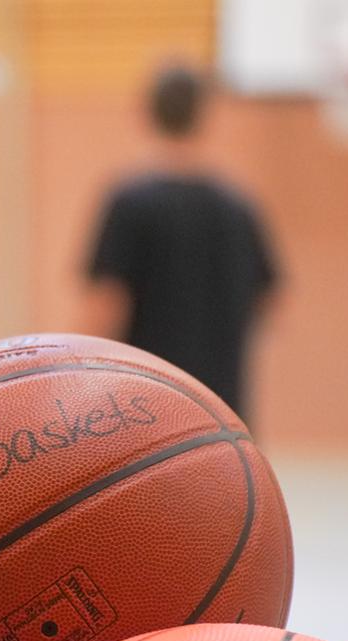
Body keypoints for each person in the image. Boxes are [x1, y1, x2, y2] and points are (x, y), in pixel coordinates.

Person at [83, 64, 279, 421]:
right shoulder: (238, 206)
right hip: (223, 415)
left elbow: (105, 307)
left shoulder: (129, 202)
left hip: (146, 415)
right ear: (205, 115)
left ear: (147, 112)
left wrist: (83, 393)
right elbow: (269, 299)